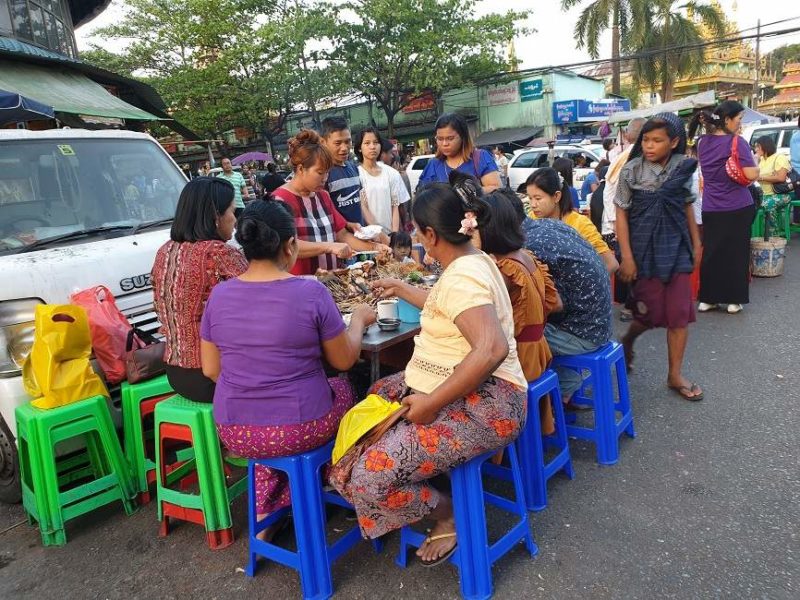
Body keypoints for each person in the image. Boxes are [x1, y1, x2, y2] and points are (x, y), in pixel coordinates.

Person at [331, 177, 527, 566]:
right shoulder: (472, 260)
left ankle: (447, 512)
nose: (418, 240)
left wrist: (431, 402)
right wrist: (402, 288)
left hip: (488, 406)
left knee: (366, 477)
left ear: (432, 235)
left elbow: (491, 348)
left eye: (418, 233)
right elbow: (446, 305)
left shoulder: (464, 275)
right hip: (465, 389)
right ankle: (420, 477)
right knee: (378, 394)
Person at [200, 200, 376, 540]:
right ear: (290, 245)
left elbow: (211, 369)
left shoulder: (219, 295)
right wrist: (357, 322)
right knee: (348, 388)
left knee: (271, 434)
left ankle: (273, 504)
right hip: (300, 426)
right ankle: (343, 489)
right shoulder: (310, 290)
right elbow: (343, 360)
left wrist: (257, 386)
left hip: (236, 430)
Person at [615, 113, 703, 402]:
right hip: (643, 249)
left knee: (679, 313)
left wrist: (696, 243)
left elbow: (687, 206)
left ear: (674, 141)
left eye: (657, 140)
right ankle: (628, 339)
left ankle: (674, 374)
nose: (649, 146)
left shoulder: (684, 168)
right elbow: (621, 214)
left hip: (675, 245)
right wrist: (626, 256)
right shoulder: (631, 171)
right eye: (646, 140)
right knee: (650, 312)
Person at [151, 177, 247, 403]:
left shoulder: (165, 251)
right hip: (215, 376)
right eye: (232, 211)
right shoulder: (219, 253)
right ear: (216, 216)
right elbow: (260, 302)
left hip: (177, 374)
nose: (235, 220)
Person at [477, 185, 562, 434]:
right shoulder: (525, 256)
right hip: (539, 351)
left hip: (520, 360)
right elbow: (554, 302)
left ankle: (490, 447)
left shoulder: (505, 270)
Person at [519, 213, 612, 403]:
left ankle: (563, 385)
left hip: (582, 333)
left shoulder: (529, 247)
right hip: (600, 325)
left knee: (517, 341)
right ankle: (561, 386)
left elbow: (555, 304)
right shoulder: (550, 225)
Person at [272, 129, 389, 276]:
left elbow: (342, 235)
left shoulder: (323, 197)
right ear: (301, 169)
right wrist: (328, 247)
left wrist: (375, 247)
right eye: (320, 172)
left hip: (333, 280)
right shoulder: (279, 200)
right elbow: (287, 246)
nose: (325, 178)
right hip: (301, 283)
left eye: (327, 172)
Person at [688, 101, 758, 314]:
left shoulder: (701, 142)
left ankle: (708, 298)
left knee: (712, 252)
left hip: (711, 207)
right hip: (738, 206)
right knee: (736, 253)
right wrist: (758, 166)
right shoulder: (737, 142)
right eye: (739, 120)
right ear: (727, 120)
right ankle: (733, 300)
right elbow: (751, 174)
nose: (740, 124)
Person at [526, 167, 619, 274]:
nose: (533, 205)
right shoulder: (531, 220)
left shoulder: (580, 224)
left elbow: (611, 264)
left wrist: (586, 284)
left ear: (556, 196)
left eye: (538, 198)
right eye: (530, 198)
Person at [418, 113, 501, 192]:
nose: (444, 144)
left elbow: (496, 188)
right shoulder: (433, 165)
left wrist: (471, 192)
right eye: (440, 139)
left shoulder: (480, 158)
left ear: (463, 137)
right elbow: (424, 196)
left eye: (450, 138)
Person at [355, 127, 410, 232]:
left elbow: (396, 206)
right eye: (367, 143)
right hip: (368, 237)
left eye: (376, 142)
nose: (372, 147)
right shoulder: (356, 176)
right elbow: (363, 208)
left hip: (391, 234)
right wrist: (378, 235)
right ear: (359, 148)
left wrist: (394, 234)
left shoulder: (392, 173)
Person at [321, 116, 364, 231]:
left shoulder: (353, 167)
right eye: (338, 143)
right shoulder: (322, 173)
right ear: (323, 142)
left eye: (348, 141)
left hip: (361, 233)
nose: (344, 148)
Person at [755, 135, 792, 234]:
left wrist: (761, 178)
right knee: (749, 204)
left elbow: (780, 178)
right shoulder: (761, 160)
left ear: (765, 146)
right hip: (764, 195)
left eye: (758, 146)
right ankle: (757, 235)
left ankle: (772, 235)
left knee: (768, 204)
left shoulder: (779, 158)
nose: (756, 149)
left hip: (781, 194)